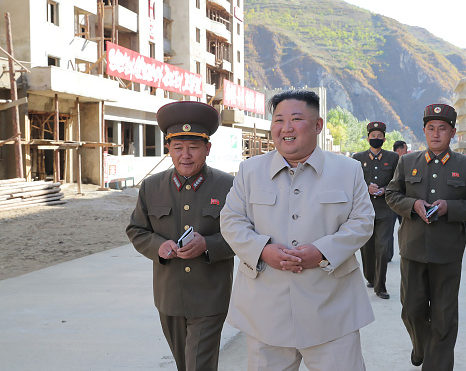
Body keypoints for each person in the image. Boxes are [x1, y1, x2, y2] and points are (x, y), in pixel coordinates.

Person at [220, 90, 375, 371]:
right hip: (266, 310)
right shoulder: (250, 170)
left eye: (296, 119)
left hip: (332, 308)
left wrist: (322, 252)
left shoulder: (348, 170)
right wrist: (263, 250)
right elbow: (231, 219)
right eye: (278, 119)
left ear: (318, 125)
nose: (286, 127)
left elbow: (362, 221)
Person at [126, 102, 235, 371]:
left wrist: (208, 245)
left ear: (207, 149)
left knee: (198, 364)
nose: (185, 155)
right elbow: (136, 229)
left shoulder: (228, 186)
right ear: (168, 149)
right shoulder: (152, 186)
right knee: (185, 365)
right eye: (178, 147)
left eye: (193, 147)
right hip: (169, 296)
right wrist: (158, 246)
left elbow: (242, 234)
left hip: (210, 294)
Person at [385, 103, 466, 370]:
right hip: (413, 248)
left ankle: (436, 364)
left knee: (444, 317)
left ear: (452, 132)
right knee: (412, 311)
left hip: (447, 252)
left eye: (442, 129)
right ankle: (421, 347)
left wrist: (449, 207)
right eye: (431, 128)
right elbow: (391, 195)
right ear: (424, 131)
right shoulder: (407, 162)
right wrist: (413, 205)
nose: (436, 134)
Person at [353, 121, 399, 299]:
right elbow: (353, 182)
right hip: (365, 210)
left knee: (382, 247)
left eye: (379, 137)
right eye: (373, 137)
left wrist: (385, 190)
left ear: (384, 139)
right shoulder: (358, 158)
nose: (376, 139)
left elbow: (397, 181)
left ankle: (381, 286)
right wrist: (367, 188)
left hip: (386, 210)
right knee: (367, 248)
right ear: (368, 138)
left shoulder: (393, 158)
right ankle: (371, 277)